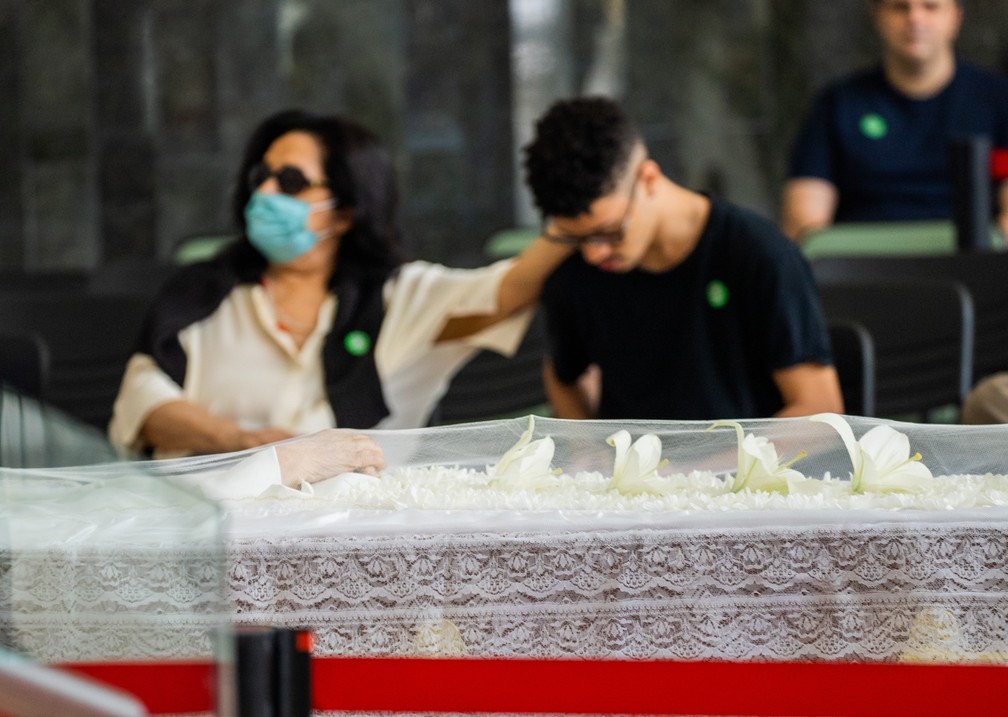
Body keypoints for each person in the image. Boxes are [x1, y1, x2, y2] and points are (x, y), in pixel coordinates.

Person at [108, 110, 572, 457]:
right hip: (214, 542)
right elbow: (143, 401)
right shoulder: (203, 293)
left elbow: (507, 289)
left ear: (345, 211)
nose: (266, 193)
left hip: (358, 548)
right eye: (260, 177)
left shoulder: (401, 299)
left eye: (291, 181)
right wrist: (243, 444)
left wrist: (576, 220)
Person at [523, 96, 843, 421]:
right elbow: (563, 374)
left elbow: (819, 411)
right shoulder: (574, 268)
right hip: (626, 469)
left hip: (743, 467)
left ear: (648, 179)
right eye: (576, 239)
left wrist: (707, 468)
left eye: (609, 232)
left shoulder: (757, 253)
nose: (594, 253)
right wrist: (587, 452)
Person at [781, 0, 1008, 242]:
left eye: (930, 7)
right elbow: (804, 220)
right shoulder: (838, 104)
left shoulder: (999, 99)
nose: (915, 19)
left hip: (971, 258)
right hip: (860, 264)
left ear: (955, 18)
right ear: (877, 17)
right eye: (900, 8)